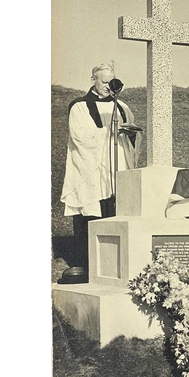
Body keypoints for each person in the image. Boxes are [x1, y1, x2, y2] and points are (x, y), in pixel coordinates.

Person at [59, 62, 140, 283]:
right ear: (92, 79)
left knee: (117, 213)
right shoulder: (79, 106)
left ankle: (116, 266)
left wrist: (129, 133)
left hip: (117, 167)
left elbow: (132, 136)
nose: (107, 86)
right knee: (91, 213)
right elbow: (79, 137)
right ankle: (86, 265)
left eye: (110, 81)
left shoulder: (121, 106)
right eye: (103, 81)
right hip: (92, 172)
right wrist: (109, 132)